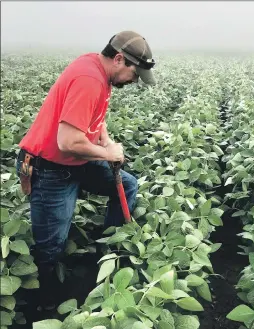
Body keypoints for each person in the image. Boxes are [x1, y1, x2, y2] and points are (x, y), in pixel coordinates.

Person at [14, 30, 156, 316]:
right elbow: (67, 141)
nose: (134, 80)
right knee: (51, 245)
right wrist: (109, 154)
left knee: (125, 185)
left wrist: (105, 140)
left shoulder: (99, 70)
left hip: (76, 161)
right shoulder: (89, 79)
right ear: (119, 59)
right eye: (134, 74)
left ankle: (108, 252)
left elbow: (95, 117)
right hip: (49, 168)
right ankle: (48, 303)